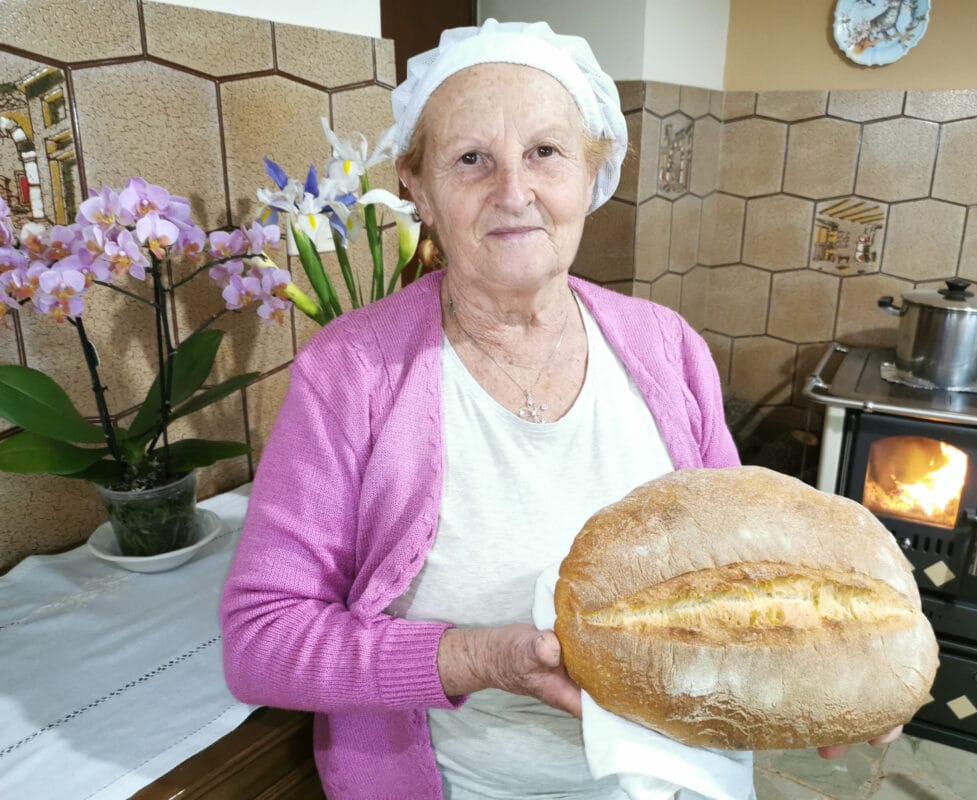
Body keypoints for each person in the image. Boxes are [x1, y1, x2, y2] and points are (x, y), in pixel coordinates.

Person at [219, 19, 900, 800]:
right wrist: (475, 660)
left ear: (591, 172)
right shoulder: (350, 372)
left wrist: (827, 665)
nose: (513, 192)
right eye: (470, 159)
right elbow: (261, 641)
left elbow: (739, 574)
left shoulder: (666, 346)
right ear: (418, 188)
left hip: (683, 780)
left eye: (545, 151)